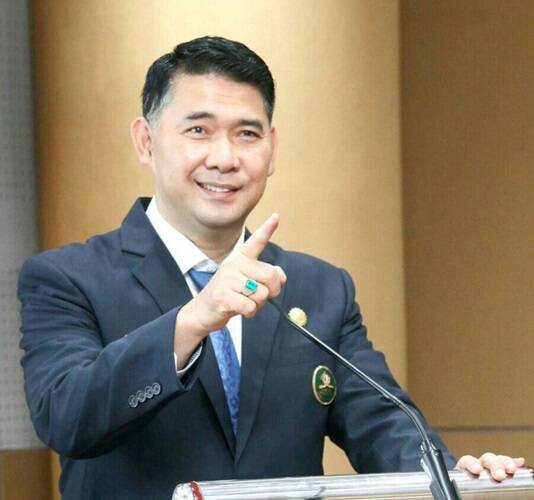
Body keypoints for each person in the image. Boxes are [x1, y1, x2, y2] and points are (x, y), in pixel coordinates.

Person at [18, 36, 524, 500]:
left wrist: (455, 479)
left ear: (272, 149)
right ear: (146, 141)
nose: (224, 158)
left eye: (246, 134)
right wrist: (192, 320)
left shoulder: (317, 288)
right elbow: (67, 417)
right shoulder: (67, 278)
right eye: (198, 131)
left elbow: (384, 428)